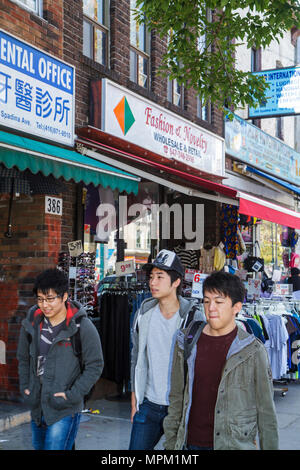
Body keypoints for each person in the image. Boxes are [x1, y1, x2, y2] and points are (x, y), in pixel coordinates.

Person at [164, 271, 279, 450]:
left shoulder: (252, 351)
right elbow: (176, 398)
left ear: (237, 307)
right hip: (190, 444)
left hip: (233, 445)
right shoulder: (186, 341)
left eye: (218, 302)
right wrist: (171, 443)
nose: (211, 308)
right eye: (207, 301)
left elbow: (266, 413)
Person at [17, 268, 104, 450]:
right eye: (40, 299)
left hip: (64, 408)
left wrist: (72, 395)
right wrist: (26, 386)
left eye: (50, 299)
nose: (45, 305)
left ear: (64, 296)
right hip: (38, 405)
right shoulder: (32, 324)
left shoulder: (82, 327)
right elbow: (23, 358)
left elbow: (95, 365)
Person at [129, 249, 205, 450]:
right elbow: (136, 357)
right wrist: (135, 398)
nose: (152, 282)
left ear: (176, 282)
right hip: (149, 404)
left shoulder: (192, 318)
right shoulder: (143, 313)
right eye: (151, 276)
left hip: (181, 407)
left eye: (160, 277)